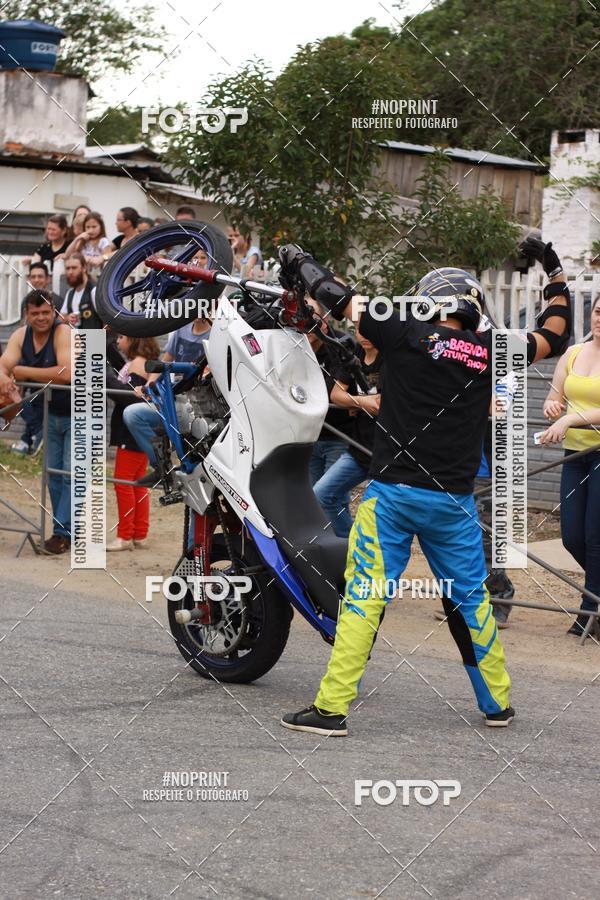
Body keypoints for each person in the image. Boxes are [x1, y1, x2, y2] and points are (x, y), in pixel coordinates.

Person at [278, 237, 572, 736]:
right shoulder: (492, 350)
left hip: (391, 498)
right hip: (452, 504)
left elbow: (335, 295)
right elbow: (555, 334)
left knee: (365, 599)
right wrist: (554, 270)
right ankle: (496, 703)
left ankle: (331, 710)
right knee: (470, 602)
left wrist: (298, 259)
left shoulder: (402, 331)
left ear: (427, 301)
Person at [539, 292, 600, 636]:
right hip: (574, 456)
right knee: (571, 536)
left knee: (594, 536)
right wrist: (552, 408)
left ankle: (588, 613)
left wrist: (569, 420)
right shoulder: (574, 352)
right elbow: (555, 395)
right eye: (597, 312)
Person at [0, 291, 72, 554]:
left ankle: (63, 533)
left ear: (54, 312)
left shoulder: (62, 332)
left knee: (69, 475)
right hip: (50, 413)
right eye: (35, 313)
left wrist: (20, 372)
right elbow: (3, 364)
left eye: (46, 312)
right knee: (53, 476)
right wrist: (4, 375)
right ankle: (63, 530)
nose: (42, 318)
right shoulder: (20, 335)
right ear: (26, 315)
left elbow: (66, 373)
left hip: (81, 411)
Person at [123, 317, 211, 483]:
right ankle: (162, 467)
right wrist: (149, 385)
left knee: (197, 473)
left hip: (201, 406)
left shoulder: (217, 332)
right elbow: (164, 362)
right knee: (132, 414)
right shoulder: (181, 329)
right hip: (173, 400)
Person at [313, 326, 382, 538]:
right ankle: (349, 546)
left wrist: (354, 402)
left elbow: (384, 404)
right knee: (321, 494)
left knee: (378, 515)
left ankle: (362, 554)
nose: (364, 334)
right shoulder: (355, 355)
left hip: (389, 453)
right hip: (358, 448)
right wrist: (361, 402)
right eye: (360, 329)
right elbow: (336, 395)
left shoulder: (393, 359)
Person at [106, 335, 160, 551]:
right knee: (137, 483)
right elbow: (118, 364)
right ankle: (139, 533)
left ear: (133, 340)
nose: (119, 341)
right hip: (139, 432)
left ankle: (125, 535)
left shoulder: (137, 364)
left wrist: (103, 377)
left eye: (121, 337)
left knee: (123, 482)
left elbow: (129, 396)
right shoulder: (142, 362)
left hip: (129, 431)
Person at [305, 297, 356, 489]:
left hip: (339, 434)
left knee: (328, 496)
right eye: (300, 320)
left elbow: (328, 392)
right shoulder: (293, 346)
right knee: (312, 497)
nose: (306, 327)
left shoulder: (341, 345)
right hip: (309, 435)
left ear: (324, 322)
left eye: (313, 320)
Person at [60, 253, 103, 329]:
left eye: (74, 268)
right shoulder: (70, 293)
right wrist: (68, 318)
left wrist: (98, 339)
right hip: (76, 339)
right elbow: (60, 318)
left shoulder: (94, 290)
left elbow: (108, 321)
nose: (70, 272)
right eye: (67, 268)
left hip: (95, 339)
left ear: (84, 268)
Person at [64, 211, 110, 276]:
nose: (91, 230)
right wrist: (77, 238)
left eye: (94, 227)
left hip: (98, 275)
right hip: (83, 275)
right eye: (88, 227)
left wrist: (95, 259)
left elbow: (107, 260)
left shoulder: (103, 241)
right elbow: (68, 255)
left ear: (101, 227)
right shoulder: (83, 241)